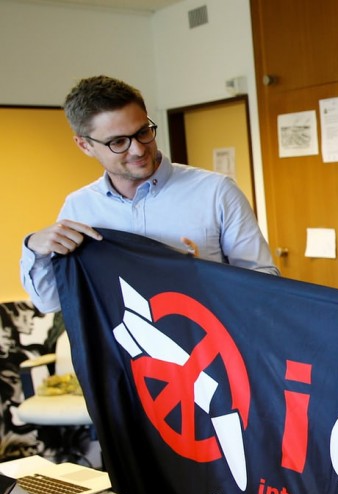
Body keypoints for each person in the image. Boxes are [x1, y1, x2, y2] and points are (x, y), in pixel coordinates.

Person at [20, 75, 279, 314]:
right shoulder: (79, 207)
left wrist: (206, 277)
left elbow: (268, 284)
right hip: (123, 360)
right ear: (85, 145)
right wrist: (35, 250)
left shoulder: (216, 192)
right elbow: (51, 303)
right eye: (118, 142)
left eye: (143, 132)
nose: (138, 150)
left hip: (208, 354)